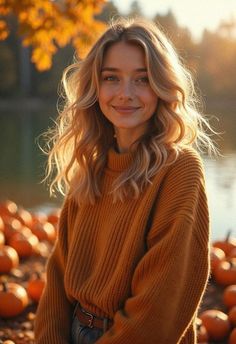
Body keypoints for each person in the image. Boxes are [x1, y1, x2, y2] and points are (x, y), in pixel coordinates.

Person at [34, 17, 217, 344]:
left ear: (162, 86)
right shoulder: (92, 165)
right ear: (95, 85)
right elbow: (59, 277)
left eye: (142, 80)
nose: (125, 94)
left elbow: (160, 306)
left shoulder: (179, 169)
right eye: (111, 78)